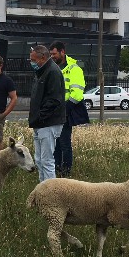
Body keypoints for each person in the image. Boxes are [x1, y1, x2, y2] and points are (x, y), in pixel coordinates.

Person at [49, 41, 90, 177]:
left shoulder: (74, 69)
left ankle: (65, 172)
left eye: (54, 54)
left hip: (65, 111)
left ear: (62, 52)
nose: (52, 56)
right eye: (51, 54)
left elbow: (77, 94)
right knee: (56, 145)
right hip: (55, 111)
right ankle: (57, 170)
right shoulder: (53, 67)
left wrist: (65, 109)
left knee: (64, 143)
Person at [28, 45, 66, 182]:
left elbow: (54, 100)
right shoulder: (42, 71)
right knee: (39, 159)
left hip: (48, 123)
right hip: (41, 123)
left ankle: (51, 192)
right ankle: (42, 188)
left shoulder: (52, 72)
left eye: (33, 60)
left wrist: (40, 116)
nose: (31, 62)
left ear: (42, 58)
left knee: (47, 160)